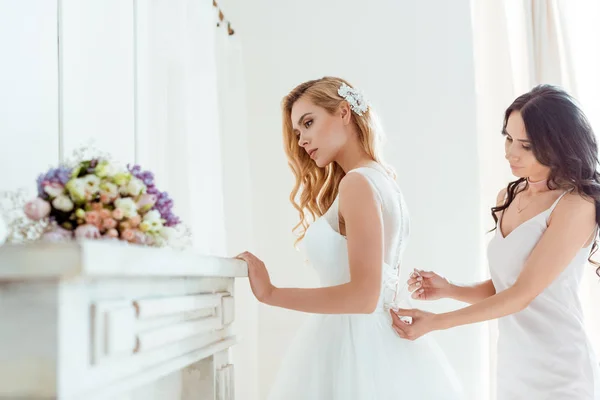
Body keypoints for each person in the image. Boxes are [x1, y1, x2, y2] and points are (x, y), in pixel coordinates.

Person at [236, 76, 463, 399]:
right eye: (298, 132)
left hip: (354, 343)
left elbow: (364, 297)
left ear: (344, 112)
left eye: (309, 123)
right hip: (380, 344)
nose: (302, 140)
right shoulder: (384, 179)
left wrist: (271, 293)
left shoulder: (357, 184)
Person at [394, 85, 600, 399]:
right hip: (513, 364)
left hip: (560, 367)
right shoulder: (509, 196)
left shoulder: (576, 205)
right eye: (507, 138)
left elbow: (522, 295)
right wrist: (450, 289)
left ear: (557, 144)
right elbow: (506, 287)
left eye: (526, 145)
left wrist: (437, 323)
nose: (510, 153)